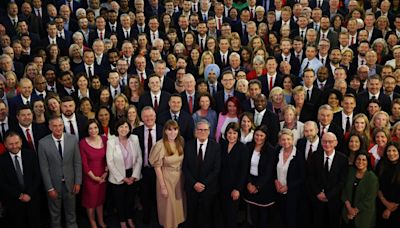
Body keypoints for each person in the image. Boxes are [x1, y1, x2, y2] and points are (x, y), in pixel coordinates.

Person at [38, 116, 82, 228]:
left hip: (71, 184)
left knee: (71, 212)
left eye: (60, 125)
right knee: (55, 214)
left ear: (63, 125)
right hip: (53, 185)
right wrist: (49, 188)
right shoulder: (42, 143)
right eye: (55, 126)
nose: (58, 128)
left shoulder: (72, 139)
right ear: (50, 127)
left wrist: (78, 182)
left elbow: (77, 162)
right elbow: (44, 168)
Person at [183, 119, 221, 228]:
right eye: (200, 130)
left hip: (208, 188)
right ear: (195, 131)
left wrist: (203, 184)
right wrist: (194, 183)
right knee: (191, 215)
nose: (202, 132)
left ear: (209, 131)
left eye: (205, 130)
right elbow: (185, 167)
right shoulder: (188, 145)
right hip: (191, 187)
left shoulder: (216, 147)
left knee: (206, 216)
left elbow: (216, 169)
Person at [0, 131, 41, 228]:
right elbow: (2, 183)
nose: (14, 146)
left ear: (21, 142)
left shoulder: (31, 155)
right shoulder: (1, 160)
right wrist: (19, 195)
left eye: (16, 143)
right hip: (13, 202)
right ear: (5, 144)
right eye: (10, 144)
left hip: (32, 199)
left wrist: (29, 194)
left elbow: (37, 176)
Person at [106, 119, 142, 228]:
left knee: (130, 199)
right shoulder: (111, 141)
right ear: (117, 128)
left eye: (126, 127)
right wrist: (122, 178)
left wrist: (134, 176)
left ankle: (129, 218)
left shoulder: (134, 139)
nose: (124, 129)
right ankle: (122, 221)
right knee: (119, 200)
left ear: (129, 128)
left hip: (132, 174)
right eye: (121, 127)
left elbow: (139, 158)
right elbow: (110, 162)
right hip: (118, 176)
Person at [149, 120, 185, 228]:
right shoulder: (160, 145)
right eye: (169, 130)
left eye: (175, 129)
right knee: (169, 207)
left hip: (179, 178)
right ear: (165, 131)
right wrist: (163, 186)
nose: (172, 132)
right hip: (166, 178)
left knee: (178, 206)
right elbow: (157, 167)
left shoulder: (180, 141)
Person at [307, 132, 348, 228]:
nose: (327, 144)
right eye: (324, 142)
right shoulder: (315, 156)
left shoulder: (342, 159)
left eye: (330, 142)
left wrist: (328, 195)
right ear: (321, 142)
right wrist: (318, 193)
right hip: (317, 199)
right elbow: (310, 176)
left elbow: (342, 181)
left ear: (336, 143)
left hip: (334, 201)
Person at [243, 125, 276, 228]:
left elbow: (268, 172)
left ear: (266, 136)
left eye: (261, 135)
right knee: (252, 215)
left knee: (263, 216)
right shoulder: (248, 146)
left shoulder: (271, 150)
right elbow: (245, 167)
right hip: (250, 182)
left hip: (264, 186)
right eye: (257, 135)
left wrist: (257, 186)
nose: (258, 137)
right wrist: (249, 183)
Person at [275, 128, 306, 228]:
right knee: (280, 218)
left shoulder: (298, 156)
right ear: (280, 141)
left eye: (288, 139)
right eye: (283, 139)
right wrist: (276, 182)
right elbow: (272, 170)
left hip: (293, 194)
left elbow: (302, 177)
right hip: (278, 191)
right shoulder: (277, 152)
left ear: (292, 140)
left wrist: (288, 187)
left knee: (291, 219)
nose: (286, 142)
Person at [79, 119, 108, 228]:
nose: (93, 130)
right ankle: (92, 222)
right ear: (87, 130)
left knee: (100, 200)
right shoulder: (82, 143)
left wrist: (106, 173)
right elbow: (84, 164)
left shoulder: (105, 139)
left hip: (103, 175)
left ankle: (100, 220)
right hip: (90, 177)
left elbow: (108, 158)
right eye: (90, 128)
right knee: (91, 202)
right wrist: (94, 177)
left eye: (95, 127)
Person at [219, 122, 248, 228]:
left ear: (238, 135)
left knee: (232, 216)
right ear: (226, 134)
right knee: (222, 214)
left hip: (234, 188)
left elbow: (243, 171)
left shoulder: (243, 148)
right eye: (229, 133)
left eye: (234, 133)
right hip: (221, 187)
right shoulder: (221, 146)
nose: (231, 136)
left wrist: (238, 189)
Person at [341, 152, 379, 228]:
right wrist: (349, 208)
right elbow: (344, 190)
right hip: (347, 213)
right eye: (358, 159)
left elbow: (369, 199)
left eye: (364, 160)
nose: (360, 162)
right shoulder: (350, 172)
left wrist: (353, 211)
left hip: (363, 217)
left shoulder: (372, 178)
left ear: (368, 162)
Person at [375, 142, 400, 228]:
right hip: (381, 204)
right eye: (389, 151)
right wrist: (386, 203)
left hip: (397, 207)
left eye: (394, 150)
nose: (391, 153)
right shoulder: (381, 164)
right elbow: (376, 185)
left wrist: (390, 208)